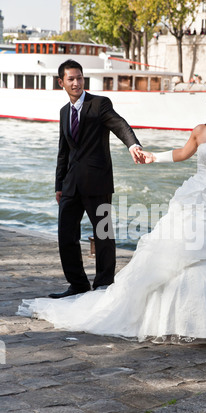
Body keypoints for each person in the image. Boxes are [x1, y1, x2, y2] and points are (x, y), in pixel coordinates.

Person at [18, 80, 206, 345]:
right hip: (197, 200)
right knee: (178, 257)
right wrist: (153, 157)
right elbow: (182, 153)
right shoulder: (201, 131)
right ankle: (182, 320)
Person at [49, 59, 142, 299]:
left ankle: (103, 283)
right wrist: (59, 185)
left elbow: (119, 124)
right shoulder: (63, 112)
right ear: (62, 82)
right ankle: (77, 284)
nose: (76, 82)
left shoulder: (99, 104)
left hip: (97, 181)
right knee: (66, 235)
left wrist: (132, 145)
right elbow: (64, 151)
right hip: (71, 184)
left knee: (103, 233)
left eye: (79, 78)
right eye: (71, 79)